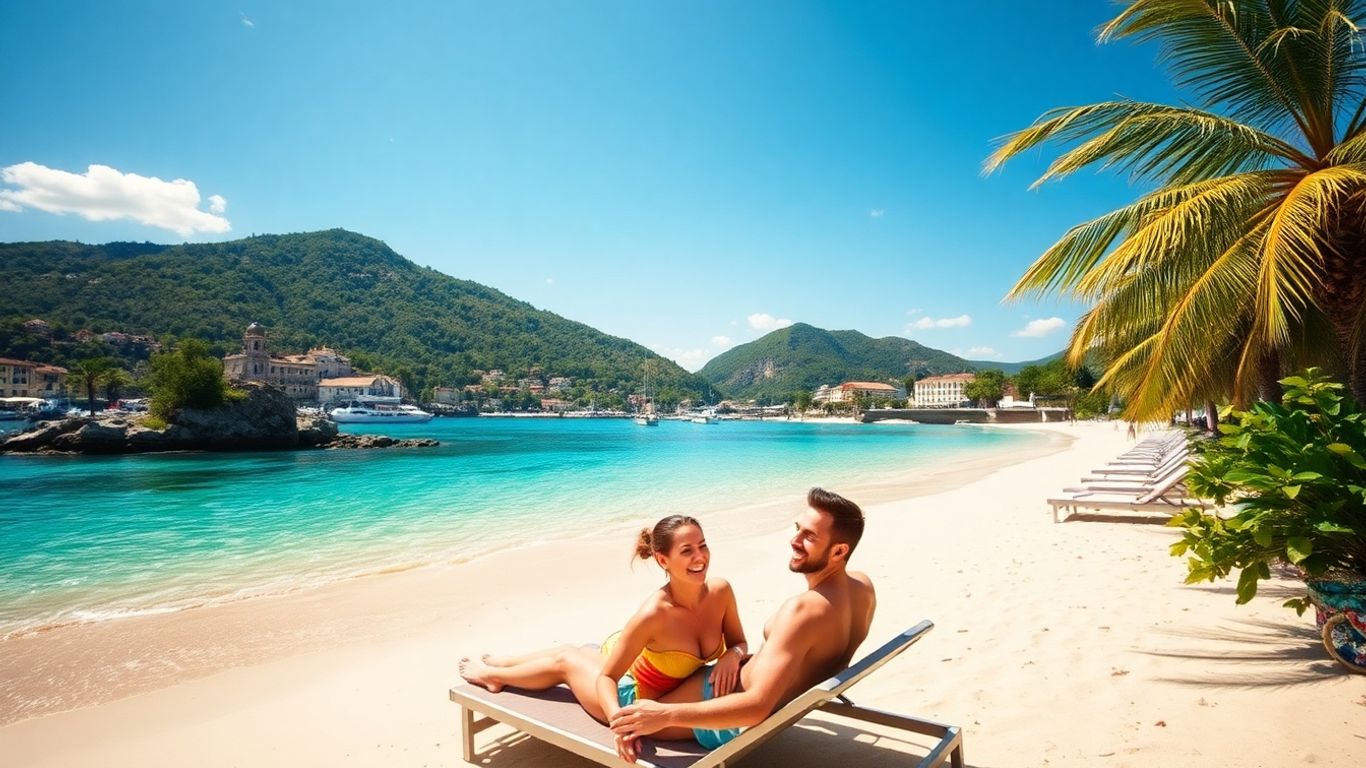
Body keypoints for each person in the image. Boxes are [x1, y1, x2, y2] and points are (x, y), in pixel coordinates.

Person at [608, 487, 875, 761]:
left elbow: (757, 706)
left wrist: (665, 715)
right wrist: (735, 653)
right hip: (733, 686)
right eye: (797, 529)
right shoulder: (862, 587)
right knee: (623, 663)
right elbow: (809, 658)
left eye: (809, 536)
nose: (794, 540)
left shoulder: (805, 610)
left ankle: (564, 663)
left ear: (839, 550)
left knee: (609, 687)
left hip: (721, 709)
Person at [458, 515, 748, 760]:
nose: (700, 557)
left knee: (573, 651)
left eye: (703, 545)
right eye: (687, 551)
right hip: (630, 698)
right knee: (567, 660)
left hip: (645, 666)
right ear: (663, 559)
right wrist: (619, 724)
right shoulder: (653, 615)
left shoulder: (720, 592)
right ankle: (496, 674)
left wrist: (730, 655)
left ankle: (508, 660)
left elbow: (739, 642)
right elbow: (606, 678)